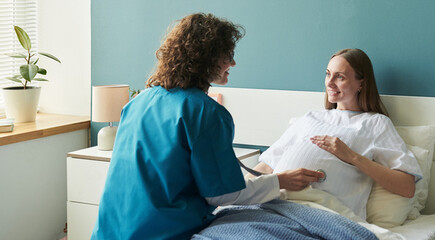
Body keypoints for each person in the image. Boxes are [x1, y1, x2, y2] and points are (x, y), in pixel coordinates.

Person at [91, 13, 323, 239]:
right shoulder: (205, 112)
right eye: (228, 55)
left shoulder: (139, 101)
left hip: (110, 231)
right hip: (162, 231)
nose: (233, 62)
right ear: (206, 58)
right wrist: (279, 181)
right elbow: (222, 195)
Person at [252, 48, 422, 220]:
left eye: (340, 77)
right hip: (272, 205)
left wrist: (350, 156)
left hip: (319, 215)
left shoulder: (375, 123)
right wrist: (236, 193)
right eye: (328, 74)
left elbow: (406, 187)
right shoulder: (310, 117)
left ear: (361, 84)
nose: (330, 83)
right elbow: (266, 167)